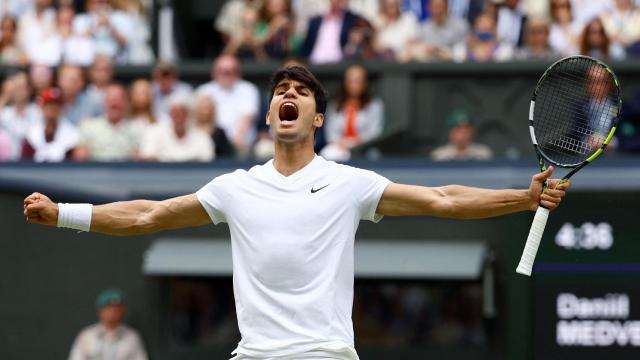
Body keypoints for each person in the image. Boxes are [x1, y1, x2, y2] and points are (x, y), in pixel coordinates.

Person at [24, 65, 570, 360]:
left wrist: (521, 199)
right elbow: (147, 215)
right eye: (281, 90)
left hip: (325, 355)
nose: (289, 94)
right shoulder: (235, 188)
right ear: (269, 116)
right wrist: (65, 213)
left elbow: (443, 200)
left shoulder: (348, 183)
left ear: (316, 119)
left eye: (301, 92)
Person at [196, 54, 260, 156]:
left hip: (240, 144)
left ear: (238, 73)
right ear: (214, 73)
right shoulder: (204, 90)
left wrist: (236, 141)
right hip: (210, 142)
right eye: (223, 71)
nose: (227, 75)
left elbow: (246, 118)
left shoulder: (248, 89)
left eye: (231, 71)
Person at [321, 64, 384, 162]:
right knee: (327, 154)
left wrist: (357, 142)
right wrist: (342, 143)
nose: (355, 85)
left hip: (364, 148)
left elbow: (375, 132)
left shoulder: (374, 105)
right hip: (340, 147)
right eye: (351, 81)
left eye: (359, 81)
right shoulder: (334, 105)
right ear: (345, 82)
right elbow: (331, 133)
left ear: (365, 83)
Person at [69, 288, 148, 360]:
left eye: (117, 309)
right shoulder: (87, 335)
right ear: (100, 311)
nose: (113, 312)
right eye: (109, 308)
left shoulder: (132, 337)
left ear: (124, 311)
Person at [73, 84, 142, 161]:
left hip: (127, 171)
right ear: (104, 102)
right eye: (111, 99)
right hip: (95, 170)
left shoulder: (136, 128)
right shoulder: (88, 126)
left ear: (126, 102)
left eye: (118, 100)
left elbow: (141, 156)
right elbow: (79, 155)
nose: (114, 104)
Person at [139, 92, 213, 162]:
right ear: (169, 114)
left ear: (189, 115)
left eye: (182, 113)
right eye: (175, 113)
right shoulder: (154, 132)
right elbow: (148, 158)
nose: (179, 118)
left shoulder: (202, 137)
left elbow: (208, 162)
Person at [400, 0, 469, 62]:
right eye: (435, 7)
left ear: (447, 7)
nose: (438, 11)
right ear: (429, 8)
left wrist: (445, 53)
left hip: (454, 69)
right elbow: (413, 49)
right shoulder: (423, 28)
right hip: (428, 70)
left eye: (440, 6)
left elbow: (464, 52)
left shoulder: (460, 26)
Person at [21, 87, 78, 162]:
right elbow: (24, 163)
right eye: (49, 105)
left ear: (62, 108)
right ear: (42, 108)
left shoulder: (72, 133)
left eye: (56, 106)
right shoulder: (31, 133)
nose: (52, 110)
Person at [0, 72, 40, 160]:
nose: (19, 91)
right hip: (6, 163)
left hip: (31, 163)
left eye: (22, 87)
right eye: (16, 87)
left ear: (29, 90)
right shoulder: (4, 113)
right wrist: (5, 96)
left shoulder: (37, 112)